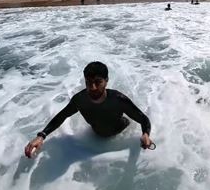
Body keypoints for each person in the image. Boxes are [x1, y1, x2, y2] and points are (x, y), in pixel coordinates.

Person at [24, 61, 153, 158]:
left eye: (98, 82)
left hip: (121, 132)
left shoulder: (118, 99)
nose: (93, 87)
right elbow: (61, 116)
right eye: (88, 82)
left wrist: (145, 135)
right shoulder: (80, 100)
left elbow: (143, 119)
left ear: (106, 81)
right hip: (97, 136)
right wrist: (41, 136)